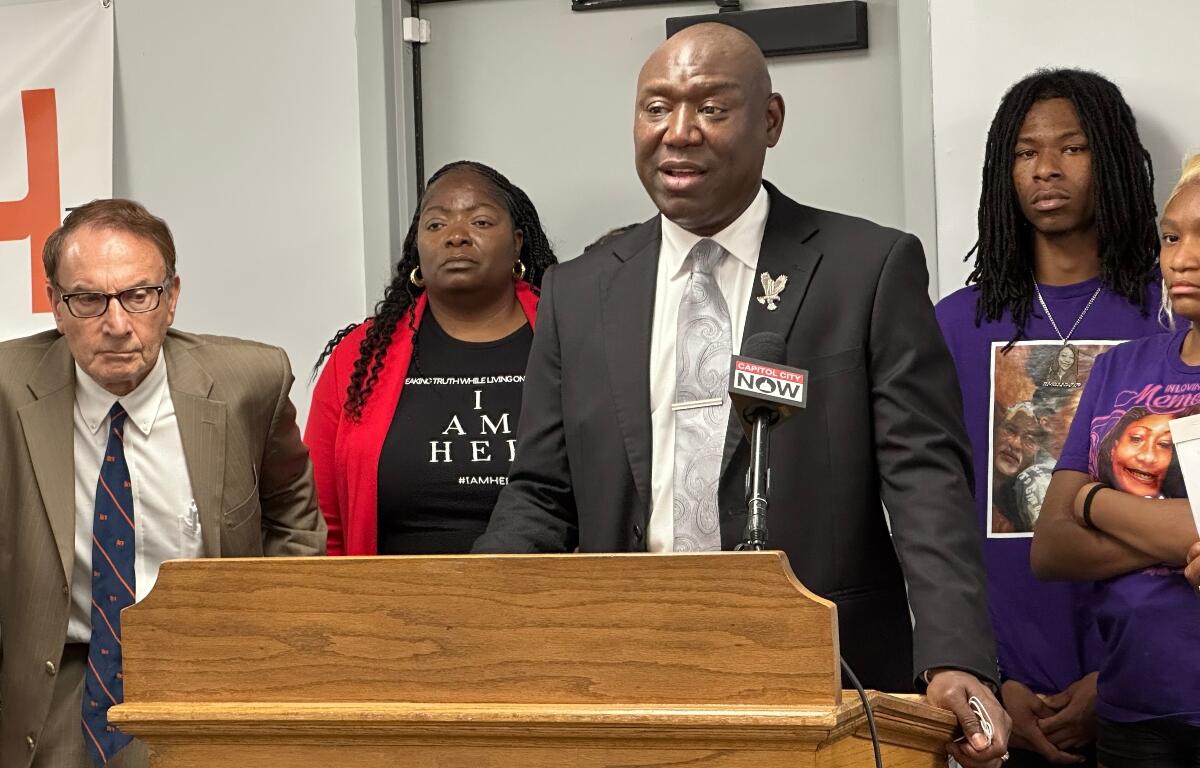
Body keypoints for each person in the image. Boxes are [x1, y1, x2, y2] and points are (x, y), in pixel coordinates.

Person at [474, 23, 1009, 767]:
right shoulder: (580, 288)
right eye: (655, 108)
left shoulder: (867, 268)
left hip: (829, 680)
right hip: (624, 674)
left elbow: (926, 478)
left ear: (771, 119)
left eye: (711, 109)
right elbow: (539, 490)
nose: (678, 132)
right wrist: (467, 619)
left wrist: (956, 657)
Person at [0, 199, 325, 768]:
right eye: (88, 299)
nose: (117, 324)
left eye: (138, 295)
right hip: (57, 675)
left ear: (171, 298)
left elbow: (293, 516)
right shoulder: (8, 389)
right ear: (55, 304)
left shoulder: (250, 383)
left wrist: (271, 648)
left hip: (205, 668)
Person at [935, 69, 1165, 767]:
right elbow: (934, 512)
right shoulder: (954, 326)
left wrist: (1123, 679)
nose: (1045, 169)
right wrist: (986, 673)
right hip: (999, 685)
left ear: (1115, 161)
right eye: (1024, 151)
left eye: (1073, 148)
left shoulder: (1170, 316)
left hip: (1156, 685)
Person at [1031, 155, 1200, 767]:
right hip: (1132, 708)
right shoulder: (1120, 367)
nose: (1182, 258)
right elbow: (1051, 549)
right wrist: (1176, 535)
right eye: (1173, 236)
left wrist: (1092, 502)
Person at [305, 161, 557, 555]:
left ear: (517, 242)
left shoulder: (571, 339)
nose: (456, 236)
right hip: (387, 606)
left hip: (552, 603)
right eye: (436, 225)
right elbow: (321, 523)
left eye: (481, 222)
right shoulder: (359, 356)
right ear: (417, 249)